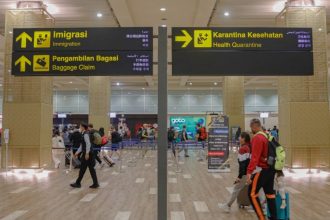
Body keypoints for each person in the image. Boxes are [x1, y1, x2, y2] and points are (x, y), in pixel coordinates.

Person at [246, 118, 277, 220]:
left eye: (251, 127)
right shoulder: (267, 135)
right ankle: (274, 218)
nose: (251, 130)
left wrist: (249, 172)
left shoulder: (257, 138)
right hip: (271, 169)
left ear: (255, 126)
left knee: (252, 194)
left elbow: (255, 157)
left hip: (262, 170)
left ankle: (261, 218)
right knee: (270, 194)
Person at [220, 132, 251, 212]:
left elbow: (243, 164)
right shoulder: (250, 146)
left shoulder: (243, 149)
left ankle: (228, 205)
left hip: (246, 173)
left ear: (243, 138)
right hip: (253, 172)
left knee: (236, 189)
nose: (238, 138)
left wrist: (239, 176)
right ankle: (263, 206)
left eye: (240, 137)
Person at [70, 123, 99, 189]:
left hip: (87, 155)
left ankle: (78, 183)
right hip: (90, 154)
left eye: (80, 126)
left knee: (83, 169)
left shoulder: (85, 134)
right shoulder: (86, 133)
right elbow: (82, 145)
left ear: (83, 127)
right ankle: (95, 183)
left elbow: (88, 144)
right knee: (91, 169)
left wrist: (87, 153)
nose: (79, 127)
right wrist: (77, 153)